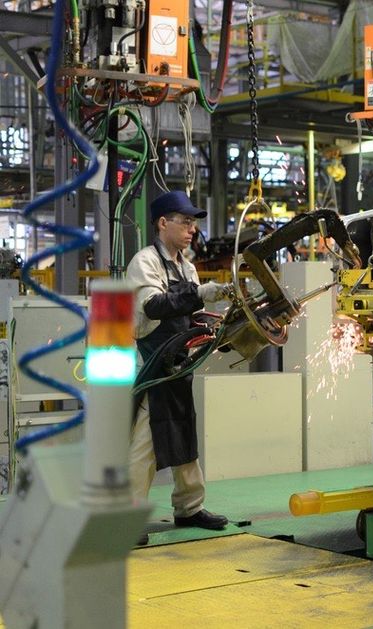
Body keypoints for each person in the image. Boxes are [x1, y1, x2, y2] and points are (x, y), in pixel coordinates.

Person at [126, 190, 232, 546]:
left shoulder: (185, 265)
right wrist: (202, 295)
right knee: (147, 440)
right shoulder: (145, 261)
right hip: (154, 361)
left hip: (178, 361)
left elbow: (187, 310)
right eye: (185, 222)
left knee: (183, 431)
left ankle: (189, 507)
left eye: (194, 223)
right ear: (162, 223)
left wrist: (213, 319)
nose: (192, 229)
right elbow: (154, 306)